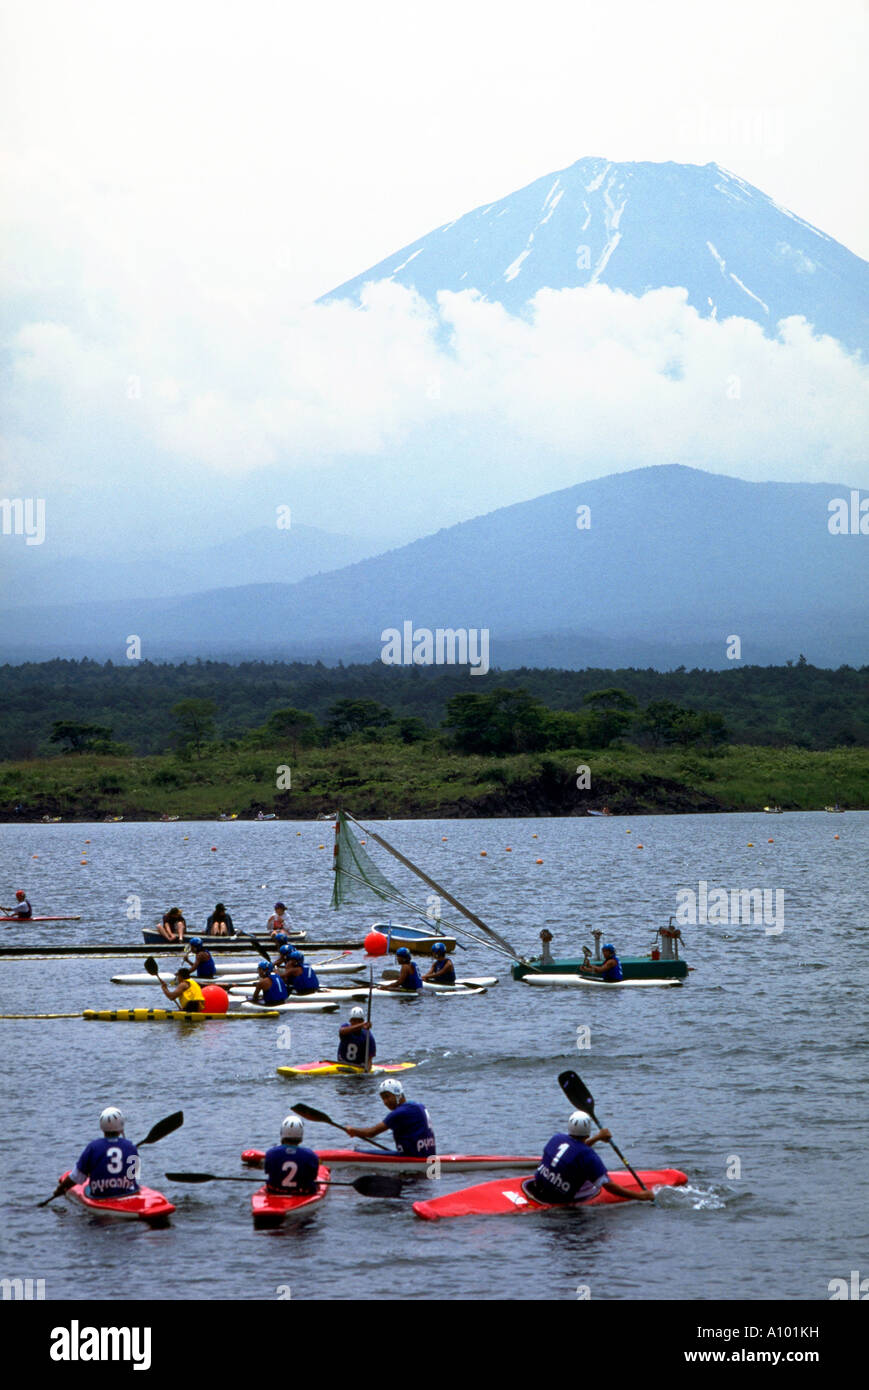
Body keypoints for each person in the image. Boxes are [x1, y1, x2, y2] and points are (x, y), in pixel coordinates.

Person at [527, 1110, 654, 1205]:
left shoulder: (557, 1138)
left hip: (538, 1185)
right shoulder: (589, 1156)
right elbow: (609, 1186)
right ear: (587, 1131)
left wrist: (598, 1138)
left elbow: (575, 1149)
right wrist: (640, 1196)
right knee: (592, 1183)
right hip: (559, 1198)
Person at [52, 1107, 141, 1201]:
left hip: (100, 1194)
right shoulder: (131, 1146)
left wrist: (60, 1189)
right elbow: (134, 1174)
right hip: (128, 1192)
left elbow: (76, 1177)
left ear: (102, 1127)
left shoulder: (93, 1147)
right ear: (121, 1125)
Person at [345, 1079, 435, 1157]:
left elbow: (371, 1133)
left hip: (412, 1157)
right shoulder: (418, 1106)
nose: (385, 1102)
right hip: (427, 1155)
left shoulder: (399, 1113)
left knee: (359, 1152)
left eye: (387, 1096)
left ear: (398, 1094)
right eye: (383, 1098)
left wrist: (354, 1131)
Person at [264, 1116, 320, 1195]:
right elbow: (313, 1176)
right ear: (301, 1134)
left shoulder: (270, 1153)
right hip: (302, 1192)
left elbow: (268, 1171)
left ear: (282, 1133)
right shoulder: (311, 1155)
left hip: (275, 1191)